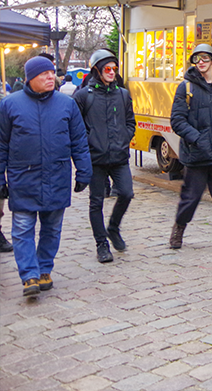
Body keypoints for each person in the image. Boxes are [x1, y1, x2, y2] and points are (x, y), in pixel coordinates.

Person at [0, 56, 91, 296]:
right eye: (45, 74)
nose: (51, 77)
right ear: (31, 78)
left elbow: (79, 141)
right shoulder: (10, 105)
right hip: (23, 178)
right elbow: (1, 145)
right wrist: (0, 179)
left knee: (52, 229)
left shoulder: (66, 104)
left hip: (57, 176)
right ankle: (29, 275)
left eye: (52, 73)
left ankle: (44, 269)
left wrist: (84, 171)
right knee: (22, 230)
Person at [168, 44, 212, 254]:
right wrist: (198, 139)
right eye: (197, 59)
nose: (201, 63)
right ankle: (179, 229)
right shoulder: (186, 87)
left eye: (205, 58)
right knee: (190, 199)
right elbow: (177, 120)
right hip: (196, 155)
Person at [73, 50, 136, 263]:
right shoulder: (84, 96)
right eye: (107, 69)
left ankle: (113, 227)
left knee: (126, 193)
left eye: (114, 69)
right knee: (96, 202)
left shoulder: (123, 94)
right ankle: (101, 244)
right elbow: (75, 126)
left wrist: (124, 138)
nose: (111, 72)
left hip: (119, 156)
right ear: (97, 71)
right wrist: (88, 143)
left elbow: (130, 122)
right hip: (95, 158)